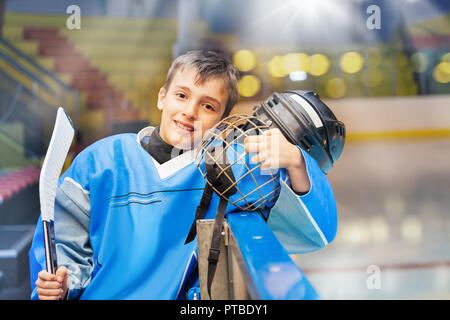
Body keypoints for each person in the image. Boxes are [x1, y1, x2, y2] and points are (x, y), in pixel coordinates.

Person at [29, 50, 337, 300]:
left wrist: (297, 163)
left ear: (222, 120)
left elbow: (313, 234)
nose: (190, 111)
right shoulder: (101, 161)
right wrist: (62, 284)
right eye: (181, 95)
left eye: (207, 105)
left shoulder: (231, 171)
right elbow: (62, 245)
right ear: (162, 97)